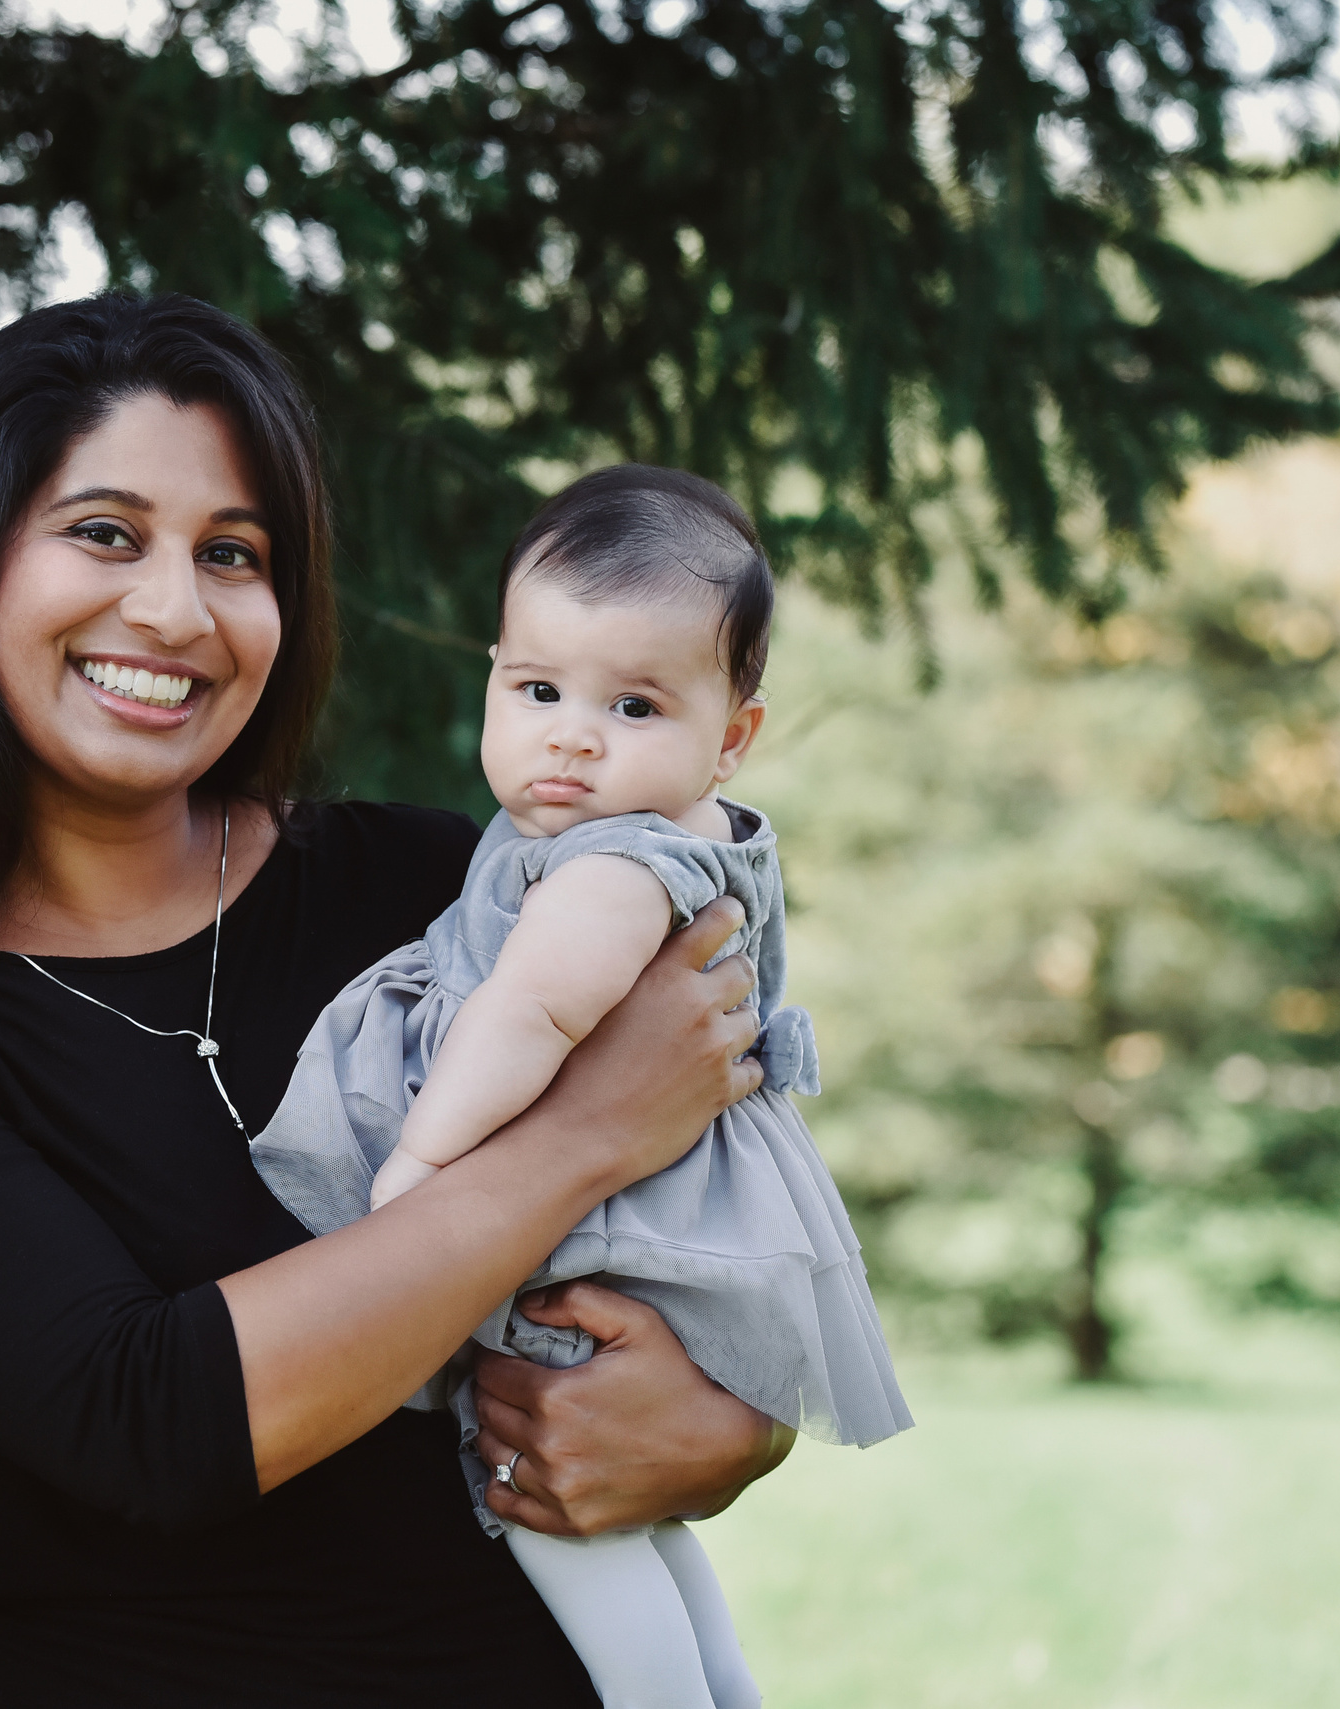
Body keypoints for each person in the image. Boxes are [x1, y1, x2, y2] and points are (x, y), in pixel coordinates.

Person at [0, 293, 793, 1706]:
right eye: (103, 532)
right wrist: (580, 1133)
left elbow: (728, 1214)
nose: (173, 608)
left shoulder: (442, 884)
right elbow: (146, 1418)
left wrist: (729, 1425)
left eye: (233, 553)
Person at [249, 466, 911, 1709]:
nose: (572, 733)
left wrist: (421, 1169)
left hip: (583, 1247)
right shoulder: (654, 830)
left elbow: (532, 1012)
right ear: (493, 673)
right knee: (645, 1530)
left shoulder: (612, 867)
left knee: (555, 1509)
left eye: (634, 704)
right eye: (539, 689)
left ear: (731, 734)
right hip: (646, 1221)